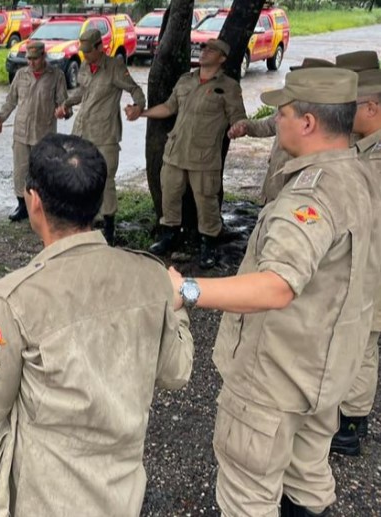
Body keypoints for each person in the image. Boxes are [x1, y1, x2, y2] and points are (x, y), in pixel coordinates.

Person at [0, 133, 194, 516]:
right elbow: (176, 371)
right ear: (97, 200)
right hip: (121, 494)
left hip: (45, 500)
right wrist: (179, 302)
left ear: (34, 202)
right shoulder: (150, 277)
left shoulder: (11, 300)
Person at [168, 68, 371, 516]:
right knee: (307, 478)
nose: (276, 122)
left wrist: (188, 289)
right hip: (325, 368)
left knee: (248, 492)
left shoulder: (309, 198)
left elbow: (278, 285)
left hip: (275, 377)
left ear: (308, 123)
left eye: (282, 113)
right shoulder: (359, 174)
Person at [142, 38, 248, 268]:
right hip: (175, 151)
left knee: (206, 202)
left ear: (222, 58)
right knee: (169, 194)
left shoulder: (229, 87)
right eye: (203, 48)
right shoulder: (185, 80)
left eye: (211, 50)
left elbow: (238, 117)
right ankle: (169, 236)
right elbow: (170, 107)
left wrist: (238, 127)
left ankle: (208, 245)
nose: (204, 52)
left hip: (204, 156)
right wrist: (142, 113)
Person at [56, 28, 146, 245]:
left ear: (100, 46)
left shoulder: (114, 67)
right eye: (83, 51)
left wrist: (138, 107)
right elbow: (82, 92)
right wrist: (66, 104)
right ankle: (88, 224)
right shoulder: (86, 66)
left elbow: (135, 90)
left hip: (105, 134)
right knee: (81, 178)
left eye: (89, 51)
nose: (85, 56)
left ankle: (109, 227)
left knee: (105, 180)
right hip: (82, 132)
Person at [332, 66, 381, 457]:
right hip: (366, 266)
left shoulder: (375, 161)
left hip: (373, 271)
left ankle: (351, 424)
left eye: (354, 108)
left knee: (364, 344)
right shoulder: (365, 150)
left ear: (372, 107)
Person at [227, 57, 335, 205]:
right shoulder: (291, 106)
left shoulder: (331, 120)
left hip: (295, 200)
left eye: (301, 78)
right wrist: (246, 126)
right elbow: (269, 125)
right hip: (274, 191)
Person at [0, 40, 68, 222]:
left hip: (44, 134)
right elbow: (11, 101)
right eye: (28, 59)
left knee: (43, 172)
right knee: (20, 171)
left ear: (43, 56)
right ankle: (22, 206)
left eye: (35, 58)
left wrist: (63, 111)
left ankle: (43, 208)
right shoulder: (20, 75)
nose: (31, 62)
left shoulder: (56, 76)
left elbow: (64, 103)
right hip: (21, 132)